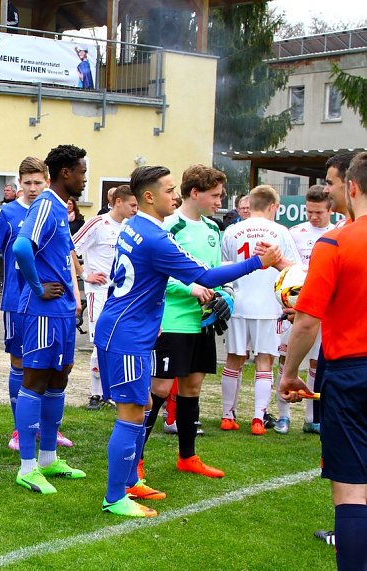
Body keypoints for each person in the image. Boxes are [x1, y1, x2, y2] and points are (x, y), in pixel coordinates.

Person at [95, 165, 281, 518]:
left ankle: (128, 483)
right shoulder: (155, 237)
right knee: (132, 414)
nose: (175, 195)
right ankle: (115, 496)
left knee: (145, 403)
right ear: (148, 197)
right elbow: (204, 276)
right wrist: (258, 262)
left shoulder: (134, 225)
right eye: (168, 190)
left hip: (123, 327)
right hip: (127, 335)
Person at [279, 151, 367, 571]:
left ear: (351, 187)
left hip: (352, 371)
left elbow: (307, 321)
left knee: (351, 491)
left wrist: (290, 371)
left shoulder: (337, 241)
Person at [142, 165, 230, 484]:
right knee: (160, 389)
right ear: (195, 193)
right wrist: (193, 288)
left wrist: (223, 296)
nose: (221, 201)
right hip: (172, 321)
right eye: (215, 195)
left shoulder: (212, 229)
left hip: (201, 322)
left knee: (192, 388)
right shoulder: (170, 226)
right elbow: (159, 277)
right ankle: (135, 460)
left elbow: (216, 271)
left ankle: (187, 456)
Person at [10, 144, 89, 495]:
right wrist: (38, 286)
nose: (85, 178)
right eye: (83, 172)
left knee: (59, 380)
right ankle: (27, 467)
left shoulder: (60, 208)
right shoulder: (44, 204)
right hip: (42, 311)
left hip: (61, 312)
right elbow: (21, 247)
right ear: (67, 173)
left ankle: (47, 458)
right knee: (36, 381)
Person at [219, 185, 298, 436]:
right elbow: (293, 270)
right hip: (267, 306)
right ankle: (257, 417)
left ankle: (227, 415)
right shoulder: (280, 232)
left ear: (250, 205)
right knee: (265, 361)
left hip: (238, 304)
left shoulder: (232, 231)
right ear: (274, 206)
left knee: (234, 359)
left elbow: (223, 266)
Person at [0, 156, 46, 451]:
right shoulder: (7, 213)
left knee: (44, 365)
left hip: (47, 303)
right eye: (27, 183)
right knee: (19, 363)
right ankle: (20, 429)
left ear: (46, 182)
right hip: (16, 303)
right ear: (19, 183)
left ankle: (44, 426)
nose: (33, 188)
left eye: (38, 182)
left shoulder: (51, 211)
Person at [273, 185, 334, 435]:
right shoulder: (294, 233)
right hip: (295, 307)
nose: (313, 216)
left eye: (318, 212)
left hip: (324, 310)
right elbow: (286, 271)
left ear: (329, 209)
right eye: (309, 211)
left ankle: (312, 417)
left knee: (316, 362)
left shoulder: (336, 234)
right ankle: (283, 416)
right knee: (286, 359)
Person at [72, 184, 137, 412]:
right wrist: (84, 274)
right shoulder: (98, 223)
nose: (135, 209)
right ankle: (96, 393)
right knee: (100, 343)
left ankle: (115, 390)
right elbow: (69, 247)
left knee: (118, 342)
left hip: (123, 294)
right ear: (118, 201)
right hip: (99, 291)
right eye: (132, 205)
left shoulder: (131, 227)